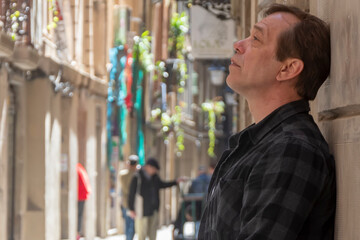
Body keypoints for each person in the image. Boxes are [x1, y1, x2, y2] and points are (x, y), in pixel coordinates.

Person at [199, 4, 336, 240]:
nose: (238, 44)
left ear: (288, 68)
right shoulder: (260, 143)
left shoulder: (292, 149)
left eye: (256, 39)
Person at [128, 157, 183, 240]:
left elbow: (162, 185)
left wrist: (175, 182)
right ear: (148, 167)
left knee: (152, 234)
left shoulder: (155, 177)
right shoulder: (138, 176)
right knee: (141, 235)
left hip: (153, 209)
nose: (154, 171)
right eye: (153, 169)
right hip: (142, 210)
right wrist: (131, 209)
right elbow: (131, 194)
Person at [119, 155, 139, 240]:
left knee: (127, 224)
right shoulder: (136, 175)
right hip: (133, 203)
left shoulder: (122, 174)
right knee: (132, 225)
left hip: (124, 203)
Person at [77, 163, 91, 240]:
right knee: (79, 215)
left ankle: (77, 233)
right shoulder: (81, 169)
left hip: (79, 196)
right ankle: (78, 232)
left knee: (78, 215)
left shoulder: (77, 170)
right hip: (82, 195)